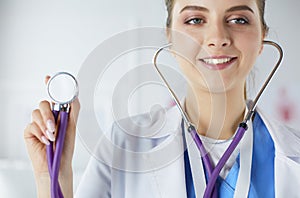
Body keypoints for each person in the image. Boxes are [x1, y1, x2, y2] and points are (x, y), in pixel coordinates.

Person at [24, 0, 300, 197]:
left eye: (238, 19)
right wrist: (52, 179)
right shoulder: (122, 143)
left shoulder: (294, 154)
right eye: (195, 20)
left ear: (262, 36)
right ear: (169, 35)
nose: (217, 37)